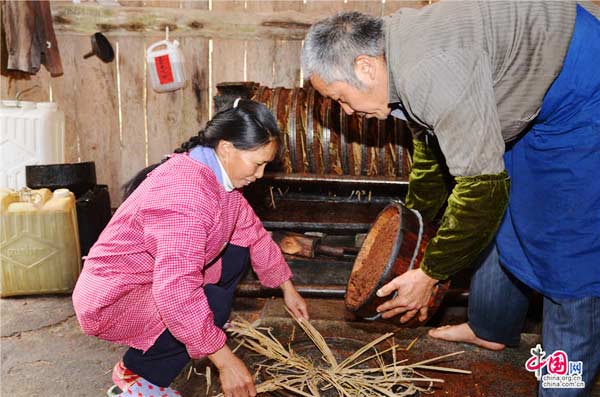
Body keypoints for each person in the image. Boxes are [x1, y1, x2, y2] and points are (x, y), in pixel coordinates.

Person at [301, 2, 600, 396]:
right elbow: (433, 145)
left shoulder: (430, 72)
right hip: (520, 77)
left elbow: (482, 191)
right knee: (508, 210)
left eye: (340, 98)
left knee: (566, 245)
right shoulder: (393, 56)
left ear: (364, 67)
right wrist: (413, 228)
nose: (346, 111)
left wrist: (431, 273)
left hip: (579, 86)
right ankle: (490, 328)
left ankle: (564, 385)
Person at [72, 98, 309, 397]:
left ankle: (188, 333)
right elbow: (176, 290)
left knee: (238, 251)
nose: (260, 174)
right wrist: (224, 359)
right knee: (211, 304)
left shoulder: (217, 178)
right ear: (226, 148)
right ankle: (137, 375)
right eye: (257, 163)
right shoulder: (186, 193)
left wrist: (286, 287)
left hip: (151, 280)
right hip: (117, 296)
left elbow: (253, 233)